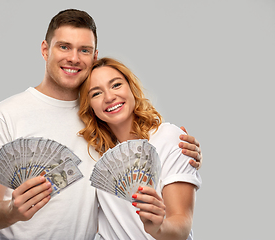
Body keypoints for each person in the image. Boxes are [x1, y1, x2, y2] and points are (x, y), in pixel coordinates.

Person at [0, 9, 202, 239]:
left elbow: (149, 143)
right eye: (64, 46)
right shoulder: (4, 116)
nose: (74, 57)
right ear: (45, 49)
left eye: (84, 50)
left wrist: (176, 145)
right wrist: (12, 210)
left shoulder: (100, 122)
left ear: (94, 56)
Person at [78, 57, 202, 240]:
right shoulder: (94, 156)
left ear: (131, 87)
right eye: (96, 93)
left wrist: (159, 228)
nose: (109, 97)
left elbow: (182, 222)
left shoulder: (168, 138)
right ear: (89, 107)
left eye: (116, 85)